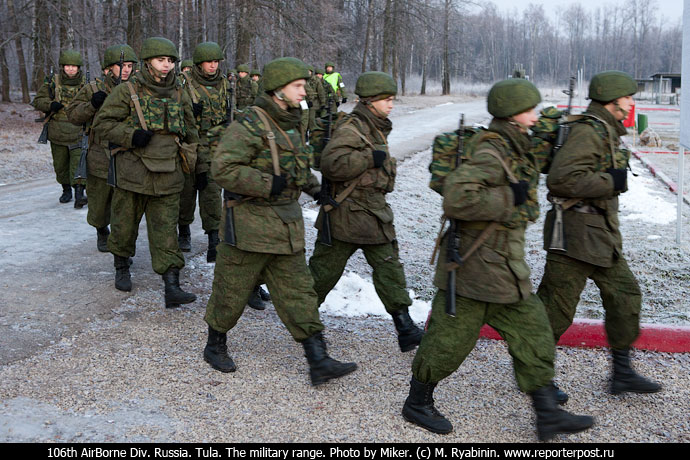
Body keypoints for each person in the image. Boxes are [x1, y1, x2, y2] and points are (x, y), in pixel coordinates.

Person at [401, 79, 594, 441]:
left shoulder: (514, 146)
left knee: (534, 333)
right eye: (531, 109)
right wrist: (510, 196)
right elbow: (457, 199)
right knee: (448, 344)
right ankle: (417, 402)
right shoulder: (492, 151)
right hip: (474, 269)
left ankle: (547, 414)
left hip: (504, 268)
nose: (536, 116)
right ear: (513, 114)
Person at [202, 57, 357, 386]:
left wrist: (317, 191)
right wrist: (263, 183)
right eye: (298, 86)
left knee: (299, 293)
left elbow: (295, 169)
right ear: (277, 90)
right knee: (230, 292)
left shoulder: (292, 122)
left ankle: (318, 359)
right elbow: (222, 169)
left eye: (304, 86)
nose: (304, 91)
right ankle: (214, 344)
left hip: (285, 226)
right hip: (248, 227)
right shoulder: (250, 123)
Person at [537, 70, 662, 396]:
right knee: (555, 310)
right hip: (574, 234)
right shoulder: (588, 132)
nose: (632, 103)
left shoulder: (605, 129)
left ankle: (622, 373)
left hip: (599, 234)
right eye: (628, 98)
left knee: (625, 297)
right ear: (612, 100)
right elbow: (560, 179)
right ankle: (537, 379)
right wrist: (611, 182)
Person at [309, 71, 423, 353]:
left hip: (371, 213)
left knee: (389, 267)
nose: (391, 105)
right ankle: (303, 321)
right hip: (347, 215)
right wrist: (369, 158)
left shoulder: (374, 125)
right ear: (370, 101)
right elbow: (332, 164)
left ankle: (405, 327)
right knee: (323, 274)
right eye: (387, 100)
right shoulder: (353, 127)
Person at [92, 37, 199, 309]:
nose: (166, 65)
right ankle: (121, 267)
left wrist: (200, 166)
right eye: (161, 60)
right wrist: (130, 135)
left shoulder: (179, 92)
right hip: (132, 173)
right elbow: (102, 124)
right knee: (124, 227)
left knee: (166, 232)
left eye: (170, 61)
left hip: (168, 173)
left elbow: (191, 133)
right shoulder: (127, 91)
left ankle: (172, 285)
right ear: (148, 62)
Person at [66, 44, 138, 253]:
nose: (126, 69)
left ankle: (120, 246)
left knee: (124, 207)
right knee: (98, 203)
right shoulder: (92, 89)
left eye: (130, 66)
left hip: (127, 154)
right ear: (108, 68)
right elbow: (73, 116)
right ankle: (101, 229)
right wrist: (92, 105)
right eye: (121, 65)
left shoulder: (137, 89)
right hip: (99, 153)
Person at [177, 42, 227, 263]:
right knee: (186, 192)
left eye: (216, 62)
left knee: (212, 193)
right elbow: (169, 110)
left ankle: (214, 240)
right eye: (209, 62)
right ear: (199, 63)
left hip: (214, 146)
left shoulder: (225, 84)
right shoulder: (184, 84)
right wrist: (186, 111)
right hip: (190, 145)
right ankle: (184, 230)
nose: (213, 66)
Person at [32, 49, 87, 206]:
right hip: (58, 132)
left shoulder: (87, 84)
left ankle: (79, 192)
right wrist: (50, 105)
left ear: (79, 68)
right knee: (61, 165)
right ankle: (66, 190)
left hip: (79, 131)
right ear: (62, 67)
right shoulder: (52, 82)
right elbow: (38, 101)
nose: (70, 69)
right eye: (67, 66)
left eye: (74, 66)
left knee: (79, 163)